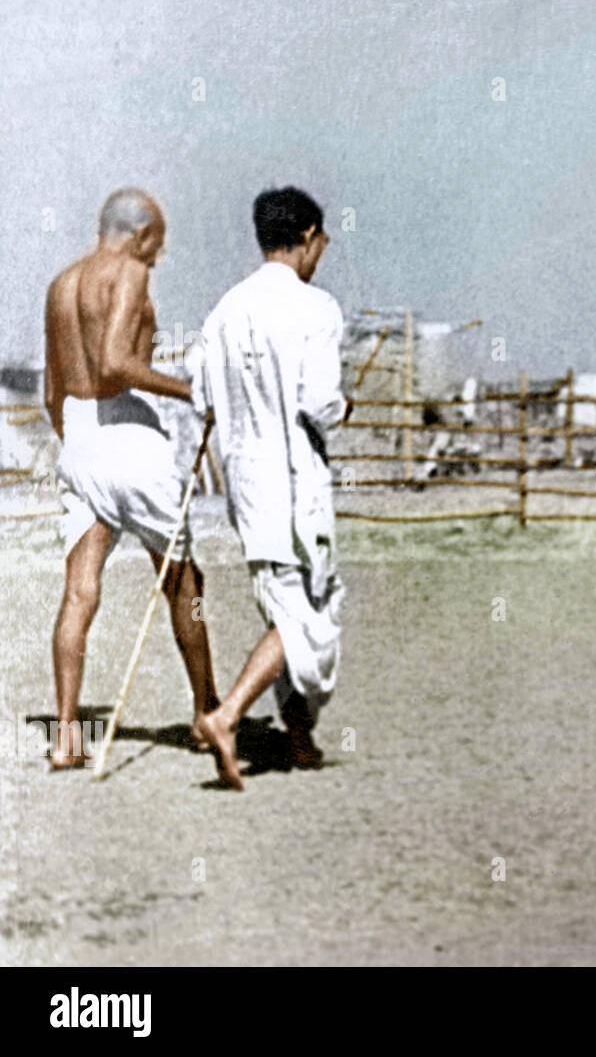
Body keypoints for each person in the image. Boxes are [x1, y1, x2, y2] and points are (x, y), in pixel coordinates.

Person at [44, 187, 220, 769]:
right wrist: (192, 392)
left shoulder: (60, 285)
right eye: (157, 245)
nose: (158, 258)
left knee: (79, 591)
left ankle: (67, 735)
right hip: (127, 437)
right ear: (138, 234)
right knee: (182, 582)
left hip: (78, 435)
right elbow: (116, 364)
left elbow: (52, 393)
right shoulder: (129, 273)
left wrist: (80, 450)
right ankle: (207, 713)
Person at [192, 186, 346, 790]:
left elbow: (202, 397)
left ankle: (299, 737)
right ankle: (227, 716)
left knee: (285, 605)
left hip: (247, 490)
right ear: (308, 235)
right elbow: (319, 401)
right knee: (311, 615)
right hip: (296, 484)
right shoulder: (316, 308)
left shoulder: (224, 310)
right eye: (322, 241)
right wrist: (345, 406)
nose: (322, 252)